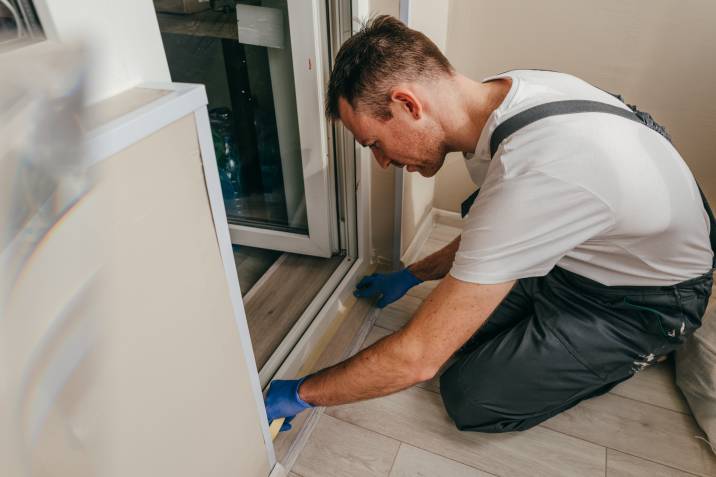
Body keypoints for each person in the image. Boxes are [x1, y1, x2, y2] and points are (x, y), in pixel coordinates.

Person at [264, 15, 714, 433]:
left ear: (406, 104)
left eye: (375, 143)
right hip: (582, 255)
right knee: (448, 319)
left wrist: (299, 394)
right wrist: (412, 274)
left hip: (642, 301)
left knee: (471, 394)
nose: (382, 162)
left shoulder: (536, 170)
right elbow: (498, 229)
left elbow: (417, 360)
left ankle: (635, 350)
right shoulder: (509, 95)